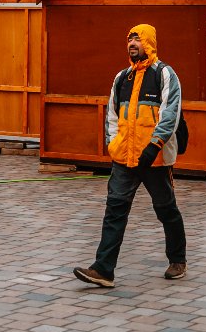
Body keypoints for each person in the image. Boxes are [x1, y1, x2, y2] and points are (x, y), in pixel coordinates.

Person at [74, 24, 186, 289]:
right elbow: (112, 116)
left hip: (155, 159)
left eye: (137, 39)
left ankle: (178, 260)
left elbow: (171, 113)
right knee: (115, 209)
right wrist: (113, 145)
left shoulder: (165, 75)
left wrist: (154, 146)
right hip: (124, 158)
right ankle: (103, 270)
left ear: (149, 42)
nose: (132, 43)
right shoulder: (121, 78)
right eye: (129, 39)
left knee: (166, 209)